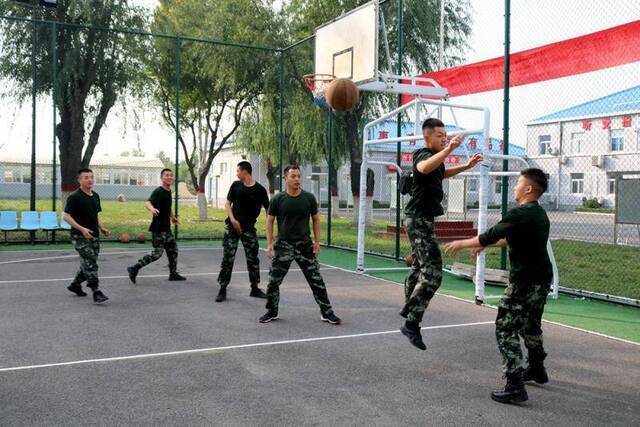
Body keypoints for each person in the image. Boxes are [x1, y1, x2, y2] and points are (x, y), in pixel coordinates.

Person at [444, 168, 553, 404]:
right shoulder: (538, 214)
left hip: (524, 281)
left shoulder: (520, 214)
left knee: (505, 327)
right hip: (541, 279)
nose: (514, 187)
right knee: (531, 324)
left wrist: (462, 243)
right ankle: (536, 368)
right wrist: (486, 245)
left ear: (528, 189)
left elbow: (491, 234)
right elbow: (508, 238)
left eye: (518, 183)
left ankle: (514, 384)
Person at [400, 118, 482, 350]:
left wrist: (465, 167)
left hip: (423, 220)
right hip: (418, 220)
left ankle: (409, 306)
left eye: (446, 135)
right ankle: (411, 322)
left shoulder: (437, 159)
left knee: (418, 266)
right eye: (439, 135)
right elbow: (424, 168)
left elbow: (440, 173)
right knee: (433, 273)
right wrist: (450, 148)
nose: (444, 138)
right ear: (427, 138)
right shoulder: (422, 153)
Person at [259, 165, 340, 325]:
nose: (297, 179)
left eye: (298, 176)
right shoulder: (277, 199)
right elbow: (269, 221)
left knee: (317, 281)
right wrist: (269, 244)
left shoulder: (308, 198)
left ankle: (327, 312)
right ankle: (271, 311)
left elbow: (316, 220)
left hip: (305, 246)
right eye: (293, 176)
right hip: (283, 246)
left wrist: (317, 242)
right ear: (285, 179)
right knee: (273, 281)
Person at [215, 161, 270, 302]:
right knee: (228, 258)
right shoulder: (236, 186)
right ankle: (222, 289)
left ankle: (255, 288)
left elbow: (269, 210)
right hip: (232, 227)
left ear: (245, 172)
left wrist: (271, 227)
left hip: (249, 229)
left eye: (238, 171)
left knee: (253, 258)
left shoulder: (260, 190)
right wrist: (233, 219)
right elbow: (227, 203)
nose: (236, 173)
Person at [127, 168, 186, 283]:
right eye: (166, 175)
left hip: (166, 228)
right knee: (157, 253)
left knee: (173, 249)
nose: (169, 177)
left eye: (171, 175)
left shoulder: (168, 191)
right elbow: (147, 202)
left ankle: (173, 274)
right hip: (158, 229)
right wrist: (152, 209)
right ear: (162, 177)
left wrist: (172, 217)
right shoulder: (158, 191)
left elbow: (167, 207)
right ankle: (134, 268)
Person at [63, 168, 110, 304]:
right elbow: (66, 216)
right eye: (86, 177)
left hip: (94, 234)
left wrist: (101, 228)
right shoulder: (74, 196)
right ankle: (96, 291)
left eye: (91, 177)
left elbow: (95, 215)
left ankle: (75, 285)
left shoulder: (95, 196)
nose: (90, 179)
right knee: (91, 262)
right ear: (79, 180)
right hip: (79, 236)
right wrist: (82, 229)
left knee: (89, 262)